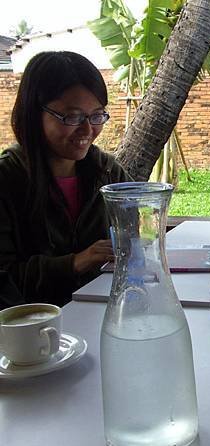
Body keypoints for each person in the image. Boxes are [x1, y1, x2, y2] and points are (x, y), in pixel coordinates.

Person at [0, 51, 130, 306]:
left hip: (101, 312)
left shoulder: (107, 173)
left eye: (96, 116)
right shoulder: (7, 180)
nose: (87, 130)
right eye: (72, 117)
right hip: (33, 329)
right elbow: (4, 277)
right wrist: (75, 262)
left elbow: (138, 232)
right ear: (35, 113)